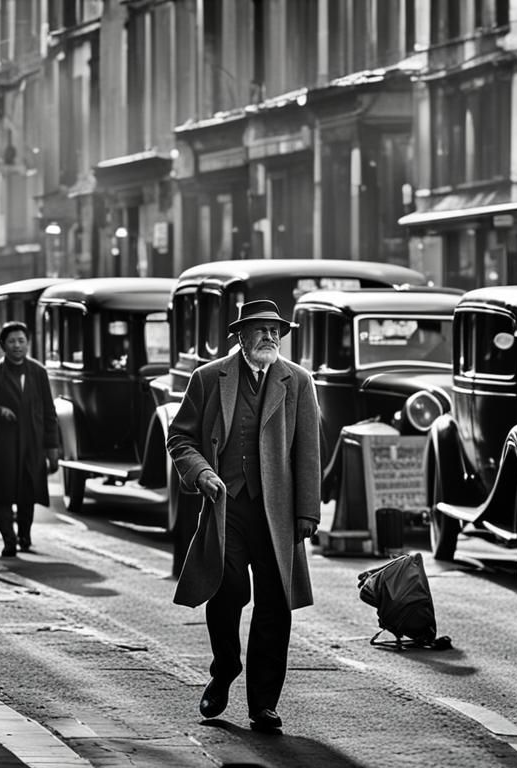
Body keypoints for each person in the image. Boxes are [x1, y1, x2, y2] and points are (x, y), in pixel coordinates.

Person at [166, 298, 321, 732]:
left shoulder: (298, 381)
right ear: (240, 336)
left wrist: (308, 510)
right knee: (228, 588)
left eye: (276, 330)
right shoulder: (208, 378)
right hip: (227, 506)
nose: (271, 337)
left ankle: (263, 705)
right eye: (261, 330)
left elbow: (308, 449)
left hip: (278, 512)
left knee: (275, 605)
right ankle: (225, 668)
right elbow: (180, 439)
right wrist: (202, 474)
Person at [0, 322, 59, 557]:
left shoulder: (38, 372)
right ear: (3, 345)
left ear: (28, 343)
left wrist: (52, 448)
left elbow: (49, 411)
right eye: (12, 341)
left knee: (27, 492)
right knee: (1, 493)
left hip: (32, 443)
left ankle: (25, 534)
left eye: (21, 341)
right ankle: (8, 539)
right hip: (3, 443)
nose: (17, 346)